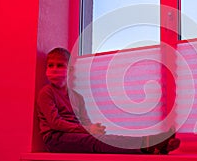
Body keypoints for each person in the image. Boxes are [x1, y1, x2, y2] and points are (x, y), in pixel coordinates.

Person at [37, 47, 180, 154]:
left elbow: (85, 122)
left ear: (70, 70)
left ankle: (154, 144)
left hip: (75, 136)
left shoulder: (77, 97)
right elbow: (55, 123)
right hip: (56, 139)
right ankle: (149, 145)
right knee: (96, 142)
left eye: (60, 65)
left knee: (104, 138)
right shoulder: (46, 93)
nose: (54, 69)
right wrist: (87, 130)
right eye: (51, 65)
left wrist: (94, 129)